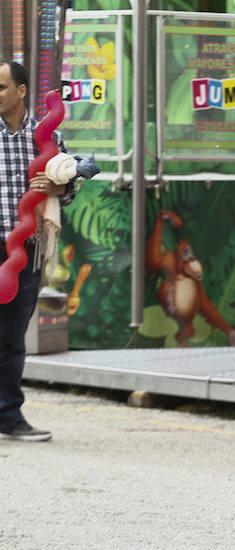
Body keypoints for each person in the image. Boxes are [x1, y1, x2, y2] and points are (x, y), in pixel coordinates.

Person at [0, 61, 75, 442]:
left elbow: (74, 180)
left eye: (1, 87)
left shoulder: (47, 137)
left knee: (13, 335)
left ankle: (8, 416)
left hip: (25, 250)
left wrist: (60, 188)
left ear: (22, 91)